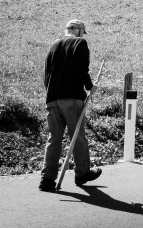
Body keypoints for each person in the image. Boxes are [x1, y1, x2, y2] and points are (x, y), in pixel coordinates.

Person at [39, 18, 102, 192]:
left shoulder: (53, 45)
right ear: (79, 31)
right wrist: (90, 86)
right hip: (72, 98)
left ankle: (47, 179)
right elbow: (81, 69)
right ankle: (82, 173)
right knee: (77, 137)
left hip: (52, 99)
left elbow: (46, 74)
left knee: (54, 139)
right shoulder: (79, 44)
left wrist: (51, 95)